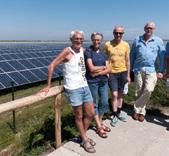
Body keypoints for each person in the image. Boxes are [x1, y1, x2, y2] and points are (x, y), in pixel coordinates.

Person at [41, 30, 96, 153]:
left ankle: (83, 136)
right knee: (79, 116)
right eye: (76, 38)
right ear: (71, 40)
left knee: (90, 113)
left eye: (81, 39)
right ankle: (85, 140)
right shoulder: (67, 51)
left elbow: (93, 55)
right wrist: (48, 85)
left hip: (84, 86)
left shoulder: (82, 50)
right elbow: (51, 65)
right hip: (73, 88)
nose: (79, 40)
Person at [130, 21, 166, 122]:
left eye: (151, 28)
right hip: (137, 68)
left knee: (149, 89)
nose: (149, 29)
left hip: (151, 69)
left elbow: (162, 57)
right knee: (138, 91)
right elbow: (132, 55)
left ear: (153, 29)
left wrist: (161, 70)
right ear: (144, 28)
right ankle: (141, 112)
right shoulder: (137, 39)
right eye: (147, 28)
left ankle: (136, 108)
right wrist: (130, 69)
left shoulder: (158, 40)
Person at [84, 32, 111, 138]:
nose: (96, 41)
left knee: (104, 102)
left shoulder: (104, 53)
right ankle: (99, 126)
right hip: (92, 82)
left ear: (101, 40)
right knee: (94, 103)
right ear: (92, 40)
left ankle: (99, 122)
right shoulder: (88, 51)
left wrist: (99, 71)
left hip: (103, 81)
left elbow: (109, 68)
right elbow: (91, 68)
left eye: (98, 40)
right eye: (95, 39)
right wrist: (103, 68)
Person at [104, 25, 131, 127]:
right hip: (112, 73)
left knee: (120, 94)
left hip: (123, 72)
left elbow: (127, 61)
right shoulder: (108, 44)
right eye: (116, 33)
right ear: (113, 33)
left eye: (120, 33)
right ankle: (114, 114)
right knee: (114, 94)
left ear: (123, 34)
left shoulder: (126, 45)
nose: (118, 35)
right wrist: (106, 70)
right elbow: (106, 58)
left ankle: (119, 112)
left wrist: (128, 75)